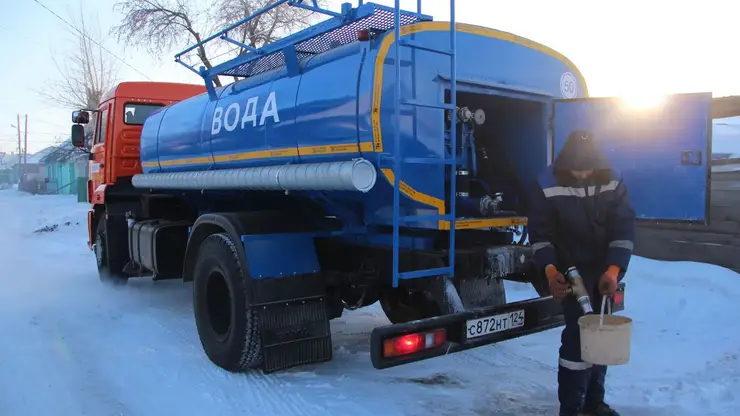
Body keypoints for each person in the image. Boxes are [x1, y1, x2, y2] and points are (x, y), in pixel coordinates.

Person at [528, 130, 636, 416]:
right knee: (578, 336)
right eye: (577, 169)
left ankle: (593, 403)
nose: (583, 174)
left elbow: (623, 229)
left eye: (588, 168)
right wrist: (551, 272)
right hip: (569, 269)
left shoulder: (612, 179)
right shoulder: (546, 183)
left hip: (603, 270)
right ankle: (572, 408)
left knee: (601, 335)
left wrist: (613, 271)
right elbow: (540, 234)